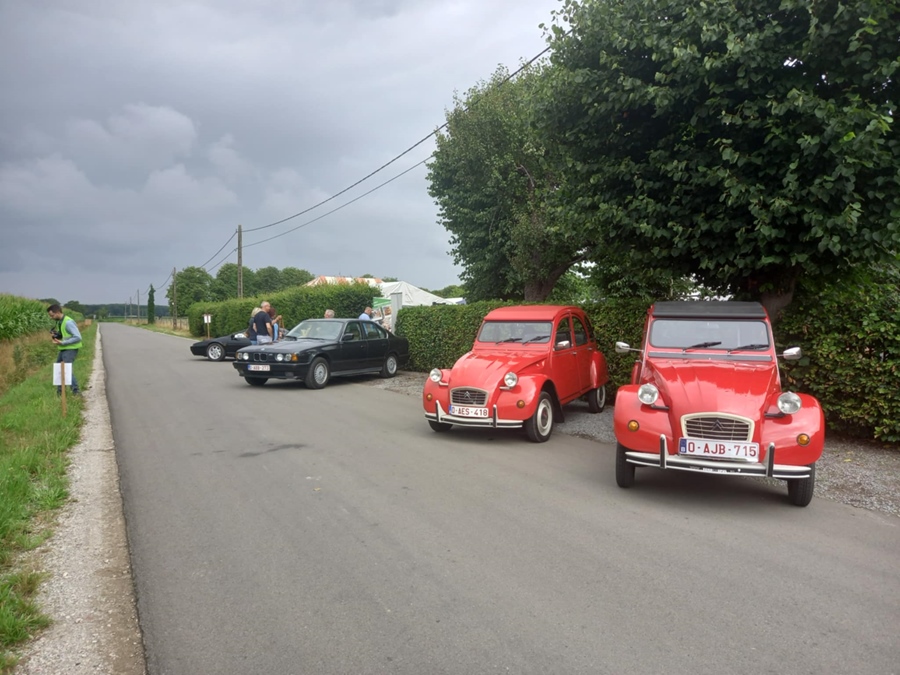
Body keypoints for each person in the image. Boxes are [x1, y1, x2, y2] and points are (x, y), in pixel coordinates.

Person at [47, 304, 82, 396]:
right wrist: (57, 335)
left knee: (66, 371)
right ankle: (60, 393)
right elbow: (64, 334)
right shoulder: (60, 322)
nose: (51, 317)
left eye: (52, 315)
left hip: (70, 349)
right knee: (59, 369)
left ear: (57, 312)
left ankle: (76, 392)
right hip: (64, 349)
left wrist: (63, 343)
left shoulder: (68, 322)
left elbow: (78, 337)